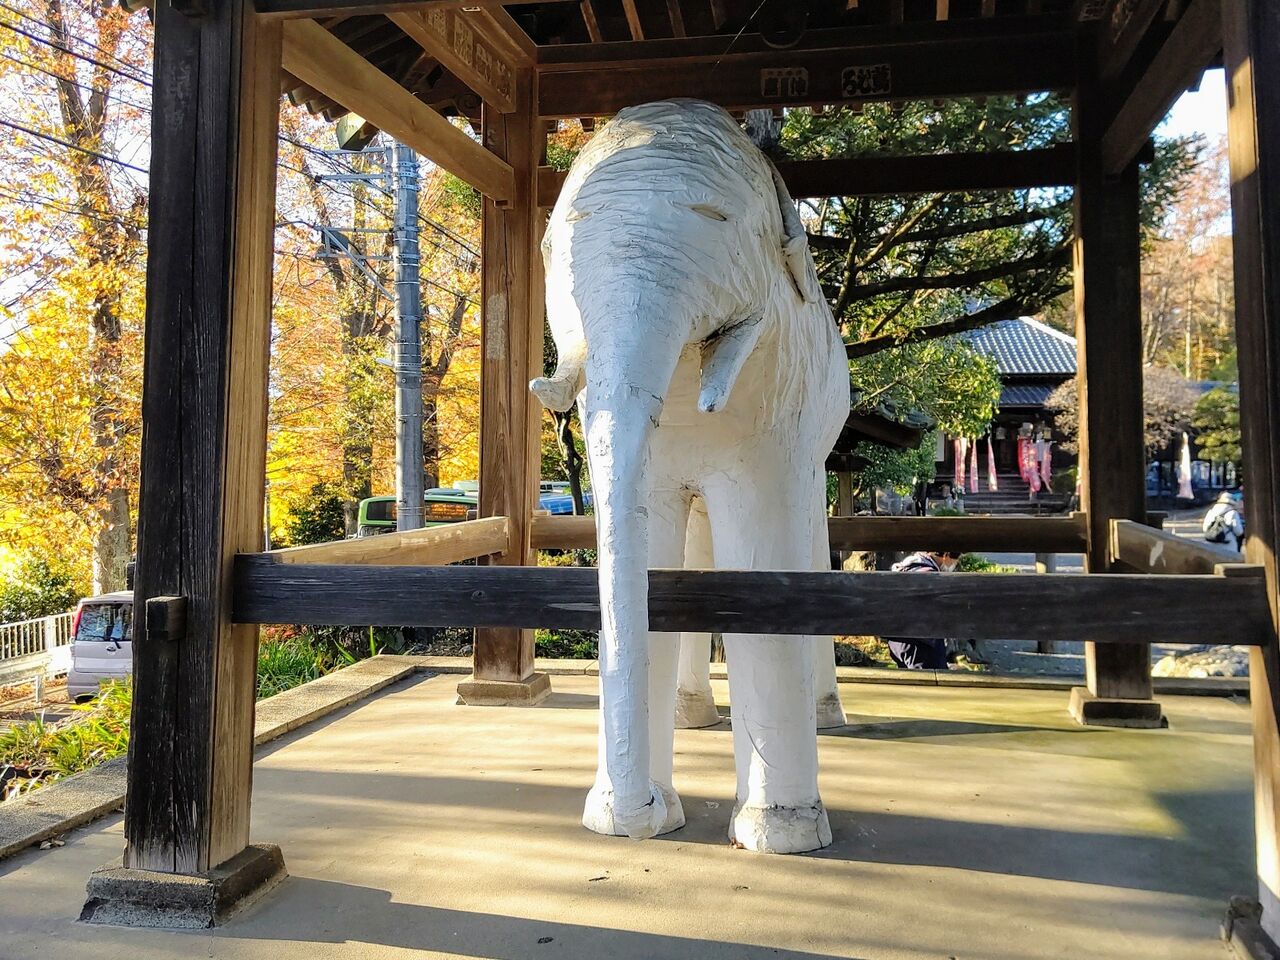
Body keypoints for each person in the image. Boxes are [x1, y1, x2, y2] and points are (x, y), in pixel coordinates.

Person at [883, 550, 958, 669]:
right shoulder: (932, 578)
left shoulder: (906, 566)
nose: (955, 564)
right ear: (946, 555)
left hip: (897, 642)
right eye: (956, 560)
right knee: (930, 683)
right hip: (922, 644)